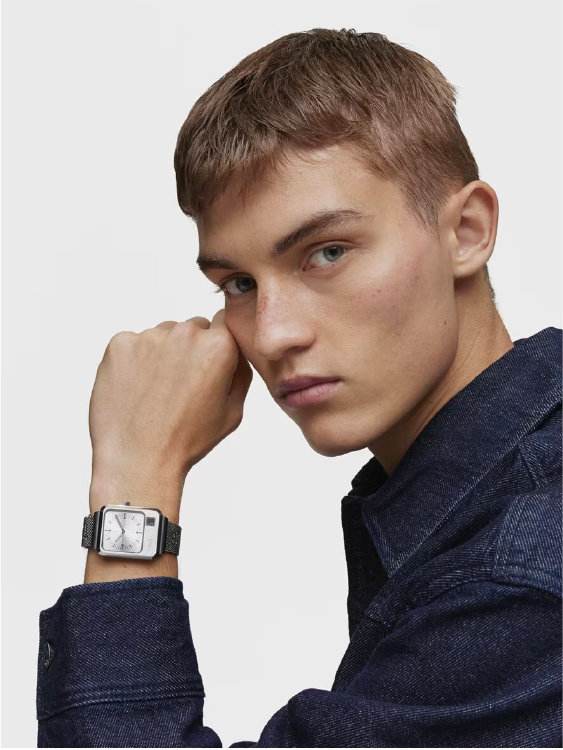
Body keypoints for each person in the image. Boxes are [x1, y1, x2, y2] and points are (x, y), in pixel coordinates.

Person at [36, 28, 562, 748]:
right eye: (238, 283)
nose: (273, 332)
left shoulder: (518, 577)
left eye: (327, 252)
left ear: (466, 231)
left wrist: (135, 489)